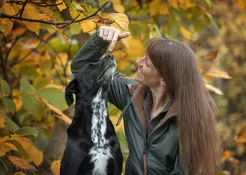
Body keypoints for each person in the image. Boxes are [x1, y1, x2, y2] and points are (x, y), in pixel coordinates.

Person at [70, 26, 221, 175]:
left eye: (147, 63)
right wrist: (100, 40)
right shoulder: (131, 93)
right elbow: (82, 71)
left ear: (164, 79)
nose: (138, 62)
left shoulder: (193, 116)